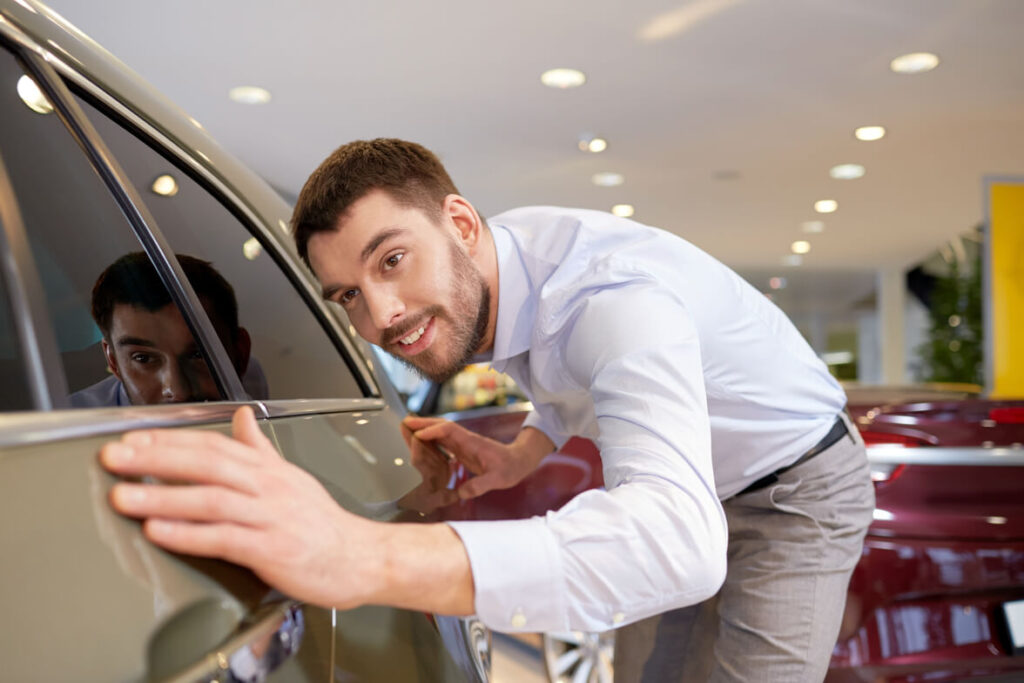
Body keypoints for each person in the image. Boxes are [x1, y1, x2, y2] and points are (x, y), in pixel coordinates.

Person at [100, 139, 874, 682]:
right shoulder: (502, 275)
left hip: (796, 487)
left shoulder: (612, 301)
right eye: (350, 297)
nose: (383, 318)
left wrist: (360, 555)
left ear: (461, 225)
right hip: (701, 480)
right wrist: (519, 455)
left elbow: (679, 540)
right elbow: (570, 382)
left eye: (392, 260)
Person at [72, 252, 263, 406]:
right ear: (113, 362)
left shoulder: (252, 382)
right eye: (143, 358)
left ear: (240, 353)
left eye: (200, 354)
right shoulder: (69, 436)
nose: (178, 391)